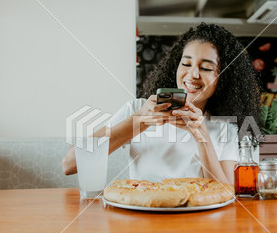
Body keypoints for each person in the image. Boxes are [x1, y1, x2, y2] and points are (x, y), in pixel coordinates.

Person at [62, 23, 261, 185]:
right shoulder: (136, 109)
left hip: (197, 225)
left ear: (222, 79)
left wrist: (202, 136)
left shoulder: (225, 126)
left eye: (206, 68)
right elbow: (70, 164)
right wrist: (140, 121)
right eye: (186, 63)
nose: (193, 74)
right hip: (142, 220)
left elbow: (225, 196)